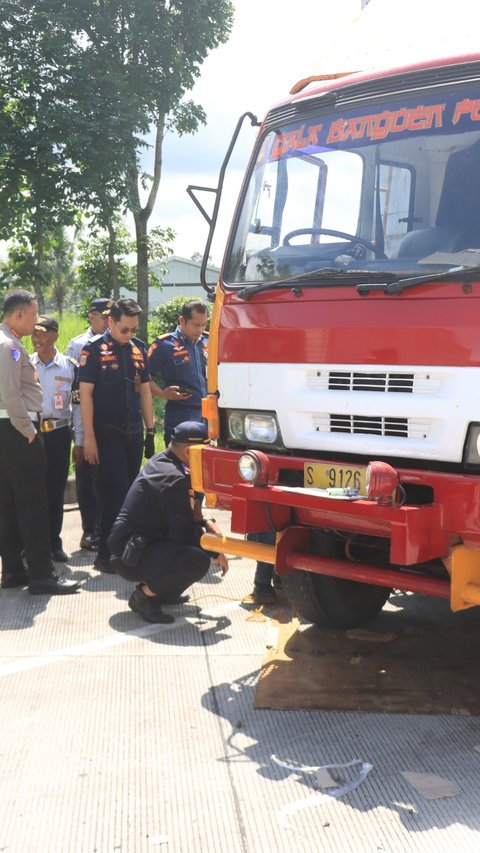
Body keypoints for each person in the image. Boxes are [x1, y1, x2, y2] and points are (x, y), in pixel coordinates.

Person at [108, 420, 228, 624]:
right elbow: (183, 534)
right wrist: (216, 549)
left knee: (190, 552)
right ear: (191, 451)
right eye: (206, 451)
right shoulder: (174, 478)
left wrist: (206, 523)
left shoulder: (165, 461)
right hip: (129, 555)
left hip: (138, 544)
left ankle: (163, 591)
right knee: (197, 560)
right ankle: (144, 596)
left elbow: (189, 516)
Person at [0, 290, 79, 595]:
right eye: (33, 315)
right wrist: (28, 431)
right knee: (34, 503)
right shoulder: (11, 347)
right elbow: (11, 394)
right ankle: (42, 575)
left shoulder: (7, 342)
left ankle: (14, 571)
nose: (35, 323)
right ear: (19, 314)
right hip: (18, 430)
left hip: (7, 430)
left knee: (7, 502)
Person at [79, 297, 155, 573]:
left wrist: (150, 430)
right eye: (125, 329)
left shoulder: (138, 350)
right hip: (106, 432)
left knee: (131, 491)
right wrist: (88, 437)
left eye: (134, 329)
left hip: (133, 431)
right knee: (114, 491)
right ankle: (106, 553)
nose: (130, 334)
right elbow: (85, 396)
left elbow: (145, 391)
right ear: (110, 322)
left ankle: (124, 549)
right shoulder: (94, 351)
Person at [30, 316, 84, 562]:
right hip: (32, 434)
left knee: (55, 489)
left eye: (41, 334)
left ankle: (54, 542)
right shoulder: (26, 365)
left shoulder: (70, 366)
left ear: (55, 335)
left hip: (60, 434)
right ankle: (31, 546)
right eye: (33, 334)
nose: (36, 339)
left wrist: (79, 440)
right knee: (32, 491)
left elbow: (78, 405)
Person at [66, 297, 112, 551]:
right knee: (87, 477)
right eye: (104, 315)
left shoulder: (118, 342)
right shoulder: (78, 346)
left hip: (111, 424)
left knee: (111, 478)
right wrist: (80, 437)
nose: (107, 320)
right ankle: (89, 530)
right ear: (90, 316)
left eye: (110, 315)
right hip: (86, 422)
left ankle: (108, 528)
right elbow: (75, 396)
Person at [148, 299, 209, 445]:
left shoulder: (209, 341)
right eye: (196, 325)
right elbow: (143, 377)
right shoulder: (164, 345)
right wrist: (162, 394)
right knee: (180, 464)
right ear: (182, 320)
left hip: (210, 415)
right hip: (181, 415)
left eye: (203, 324)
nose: (200, 329)